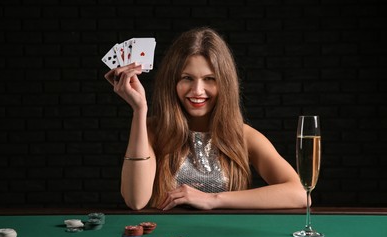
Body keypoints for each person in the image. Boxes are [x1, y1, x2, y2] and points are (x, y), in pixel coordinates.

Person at [104, 27, 307, 211]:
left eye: (210, 79)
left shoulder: (244, 135)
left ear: (224, 84)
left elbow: (300, 194)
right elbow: (135, 200)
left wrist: (213, 199)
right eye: (187, 78)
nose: (197, 91)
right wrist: (140, 110)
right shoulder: (151, 130)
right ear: (172, 83)